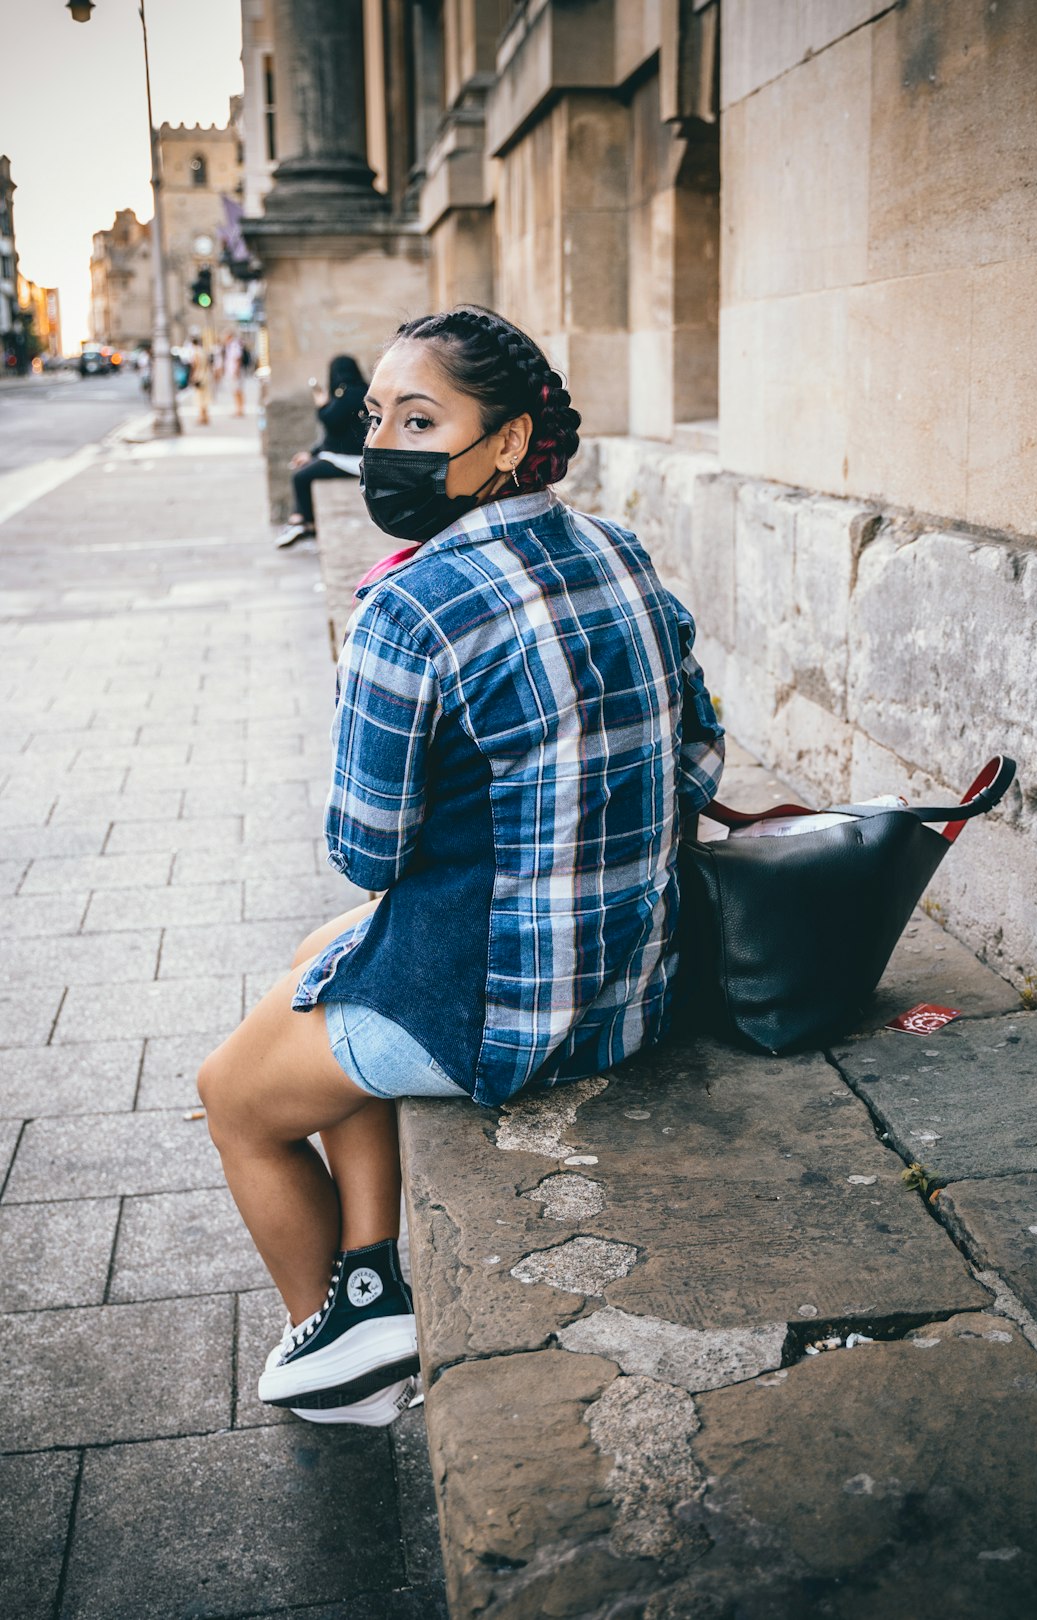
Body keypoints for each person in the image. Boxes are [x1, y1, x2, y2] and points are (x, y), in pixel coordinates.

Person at [197, 305, 726, 1427]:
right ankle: (373, 1273)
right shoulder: (620, 550)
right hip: (633, 985)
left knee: (233, 1096)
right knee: (320, 961)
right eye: (379, 416)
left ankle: (337, 1352)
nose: (388, 442)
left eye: (422, 419)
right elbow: (703, 753)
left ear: (504, 440)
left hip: (504, 1016)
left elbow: (363, 848)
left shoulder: (410, 604)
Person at [275, 354, 369, 548]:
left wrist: (321, 404)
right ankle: (301, 520)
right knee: (303, 470)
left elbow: (331, 421)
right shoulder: (359, 391)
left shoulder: (351, 394)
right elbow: (334, 437)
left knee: (300, 477)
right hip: (343, 456)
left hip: (351, 461)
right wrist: (311, 453)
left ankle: (302, 522)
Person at [188, 337, 211, 426]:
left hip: (198, 375)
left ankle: (201, 417)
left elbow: (195, 365)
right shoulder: (203, 351)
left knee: (199, 397)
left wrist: (192, 376)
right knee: (205, 396)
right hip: (205, 375)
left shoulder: (196, 352)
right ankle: (206, 416)